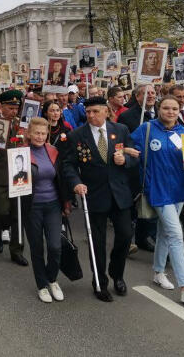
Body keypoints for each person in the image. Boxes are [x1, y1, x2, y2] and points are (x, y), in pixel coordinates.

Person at [131, 96, 184, 304]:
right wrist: (128, 152)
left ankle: (158, 272)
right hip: (157, 191)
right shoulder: (146, 129)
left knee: (164, 232)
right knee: (176, 235)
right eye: (166, 108)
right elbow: (128, 147)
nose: (170, 111)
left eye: (175, 108)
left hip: (179, 191)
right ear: (159, 109)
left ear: (179, 110)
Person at [61, 96, 136, 302]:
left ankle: (117, 272)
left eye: (95, 111)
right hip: (93, 194)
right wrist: (75, 182)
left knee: (125, 234)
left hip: (119, 193)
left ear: (106, 111)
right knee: (97, 241)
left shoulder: (120, 130)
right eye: (88, 112)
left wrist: (125, 160)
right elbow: (68, 164)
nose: (91, 115)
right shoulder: (77, 135)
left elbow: (132, 155)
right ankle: (99, 281)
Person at [23, 118, 70, 302]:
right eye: (36, 133)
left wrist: (66, 203)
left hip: (52, 205)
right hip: (32, 206)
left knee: (55, 246)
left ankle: (52, 279)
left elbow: (61, 179)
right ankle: (41, 285)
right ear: (29, 133)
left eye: (43, 133)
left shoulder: (53, 152)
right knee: (36, 248)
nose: (40, 136)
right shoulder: (21, 153)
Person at [0, 90, 28, 264]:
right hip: (0, 175)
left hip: (19, 174)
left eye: (16, 108)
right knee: (2, 211)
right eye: (10, 108)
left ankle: (17, 251)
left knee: (17, 214)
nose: (14, 111)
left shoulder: (21, 125)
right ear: (1, 107)